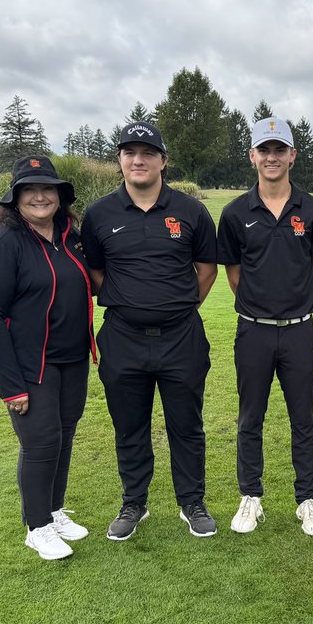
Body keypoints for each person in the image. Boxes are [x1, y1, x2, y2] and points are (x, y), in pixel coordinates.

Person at [80, 122, 219, 540]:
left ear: (163, 160)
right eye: (129, 152)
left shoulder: (191, 211)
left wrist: (176, 306)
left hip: (181, 337)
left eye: (147, 152)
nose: (137, 160)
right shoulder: (100, 213)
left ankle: (191, 502)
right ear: (119, 160)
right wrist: (132, 302)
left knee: (187, 425)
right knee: (130, 426)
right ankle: (133, 503)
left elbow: (207, 270)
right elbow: (96, 273)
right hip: (123, 338)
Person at [0, 155, 97, 561]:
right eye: (30, 190)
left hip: (71, 358)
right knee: (40, 442)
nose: (40, 197)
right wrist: (9, 384)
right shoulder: (4, 243)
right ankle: (37, 526)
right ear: (15, 199)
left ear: (60, 197)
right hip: (27, 364)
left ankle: (55, 512)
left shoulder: (70, 237)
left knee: (63, 435)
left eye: (49, 190)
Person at [217, 118, 313, 537]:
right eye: (263, 150)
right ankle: (251, 496)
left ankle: (307, 499)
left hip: (300, 330)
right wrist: (260, 306)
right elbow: (234, 274)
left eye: (279, 150)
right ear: (252, 156)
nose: (271, 157)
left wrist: (294, 306)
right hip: (253, 331)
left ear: (291, 156)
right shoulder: (234, 214)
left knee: (303, 417)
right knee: (251, 416)